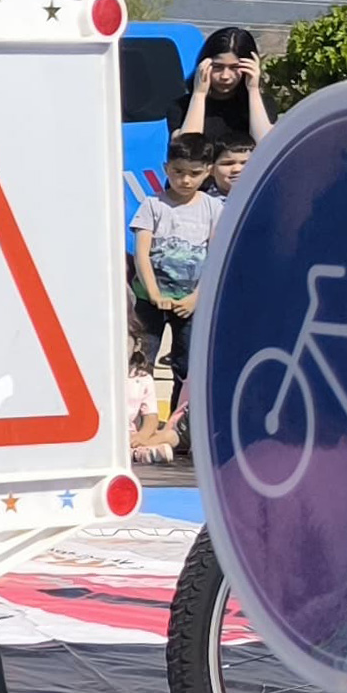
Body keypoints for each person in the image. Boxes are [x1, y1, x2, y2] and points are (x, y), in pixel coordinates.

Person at [130, 133, 218, 458]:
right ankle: (139, 427)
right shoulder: (153, 205)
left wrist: (197, 297)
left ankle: (179, 430)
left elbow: (216, 253)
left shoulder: (212, 208)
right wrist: (152, 291)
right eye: (178, 171)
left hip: (190, 304)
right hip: (150, 301)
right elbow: (141, 252)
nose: (185, 179)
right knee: (143, 360)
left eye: (194, 172)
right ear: (166, 167)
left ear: (207, 171)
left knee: (187, 364)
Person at [182, 25, 270, 149]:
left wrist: (253, 90)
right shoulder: (183, 106)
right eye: (217, 67)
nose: (225, 76)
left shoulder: (261, 105)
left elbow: (266, 146)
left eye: (235, 68)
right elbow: (188, 150)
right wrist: (199, 95)